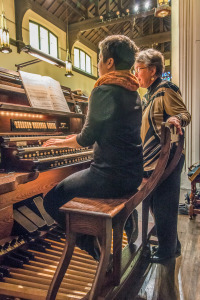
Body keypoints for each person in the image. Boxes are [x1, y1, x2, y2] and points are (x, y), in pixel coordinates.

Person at [43, 35, 143, 260]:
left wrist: (60, 142)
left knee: (51, 200)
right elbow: (110, 132)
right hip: (133, 174)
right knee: (70, 182)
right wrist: (74, 137)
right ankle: (123, 218)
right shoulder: (134, 91)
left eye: (99, 59)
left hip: (108, 176)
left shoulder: (103, 90)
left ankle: (92, 245)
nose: (98, 64)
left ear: (109, 63)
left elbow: (86, 139)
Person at [135, 49, 191, 263]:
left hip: (167, 158)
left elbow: (185, 114)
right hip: (152, 158)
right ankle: (172, 245)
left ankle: (167, 252)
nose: (136, 73)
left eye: (139, 69)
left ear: (153, 70)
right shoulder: (149, 94)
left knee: (164, 204)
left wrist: (176, 118)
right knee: (154, 203)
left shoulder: (165, 89)